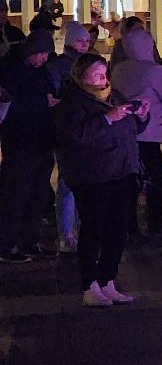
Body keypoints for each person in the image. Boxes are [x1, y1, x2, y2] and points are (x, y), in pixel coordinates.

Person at [55, 53, 148, 305]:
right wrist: (107, 119)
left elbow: (129, 129)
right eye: (96, 74)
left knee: (118, 229)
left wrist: (140, 117)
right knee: (94, 229)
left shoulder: (113, 96)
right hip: (94, 175)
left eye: (104, 73)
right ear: (81, 75)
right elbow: (74, 137)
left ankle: (108, 279)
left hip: (122, 171)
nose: (102, 78)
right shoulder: (73, 102)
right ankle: (89, 285)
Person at [111, 27, 162, 242]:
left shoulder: (119, 69)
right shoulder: (155, 71)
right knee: (154, 179)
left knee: (130, 180)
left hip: (125, 131)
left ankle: (129, 226)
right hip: (149, 132)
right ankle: (154, 224)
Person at [0, 31, 58, 263]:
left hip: (42, 139)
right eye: (42, 53)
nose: (44, 58)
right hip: (20, 141)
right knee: (16, 194)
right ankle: (7, 243)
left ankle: (29, 240)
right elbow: (9, 101)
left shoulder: (38, 71)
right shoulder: (11, 70)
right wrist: (42, 101)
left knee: (37, 192)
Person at [47, 20, 93, 248]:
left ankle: (79, 229)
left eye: (86, 40)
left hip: (85, 126)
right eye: (80, 40)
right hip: (67, 128)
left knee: (81, 180)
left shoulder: (86, 62)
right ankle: (66, 232)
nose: (84, 44)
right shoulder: (60, 66)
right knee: (68, 182)